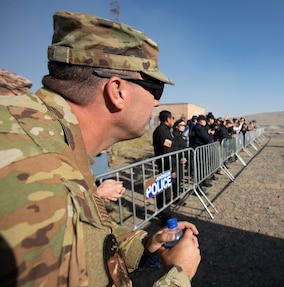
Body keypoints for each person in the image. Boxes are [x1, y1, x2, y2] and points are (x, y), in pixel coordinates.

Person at [0, 10, 200, 287]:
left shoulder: (48, 140)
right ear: (117, 90)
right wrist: (179, 274)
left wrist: (144, 244)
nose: (156, 103)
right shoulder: (39, 178)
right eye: (155, 89)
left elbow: (87, 237)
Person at [152, 110, 178, 224]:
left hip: (163, 163)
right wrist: (172, 169)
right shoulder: (163, 132)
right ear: (167, 119)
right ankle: (165, 215)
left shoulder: (163, 130)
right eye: (172, 118)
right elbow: (167, 152)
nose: (173, 120)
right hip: (165, 165)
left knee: (162, 189)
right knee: (165, 190)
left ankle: (161, 211)